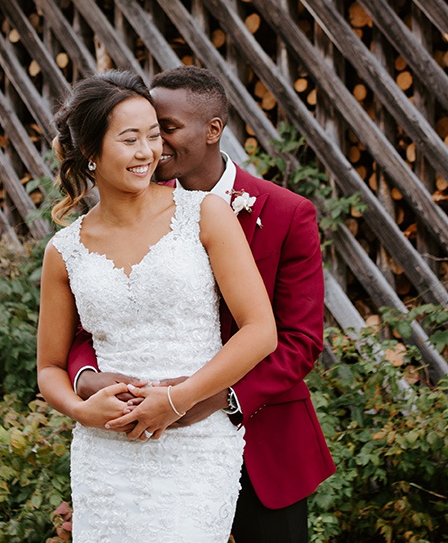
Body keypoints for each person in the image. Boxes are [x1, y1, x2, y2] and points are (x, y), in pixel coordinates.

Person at [68, 66, 336, 543]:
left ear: (213, 130)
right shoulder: (125, 212)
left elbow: (300, 341)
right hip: (145, 440)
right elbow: (95, 324)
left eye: (165, 129)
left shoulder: (286, 213)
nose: (154, 146)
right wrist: (90, 379)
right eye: (147, 130)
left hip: (261, 440)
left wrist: (205, 398)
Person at [36, 70, 277, 541]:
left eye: (153, 135)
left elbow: (260, 330)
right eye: (130, 139)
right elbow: (48, 366)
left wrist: (175, 400)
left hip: (193, 446)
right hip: (106, 453)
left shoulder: (205, 214)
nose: (148, 151)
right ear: (91, 153)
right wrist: (82, 411)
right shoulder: (64, 251)